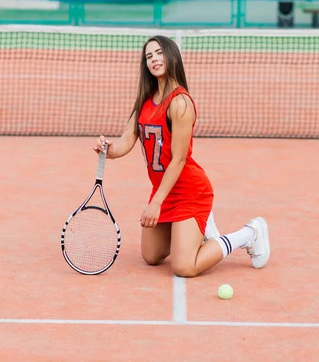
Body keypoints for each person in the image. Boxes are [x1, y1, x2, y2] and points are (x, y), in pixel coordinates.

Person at [92, 35, 270, 278]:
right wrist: (108, 150)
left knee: (184, 267)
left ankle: (250, 233)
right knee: (151, 256)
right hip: (164, 190)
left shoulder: (180, 103)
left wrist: (155, 204)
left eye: (159, 53)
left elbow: (178, 160)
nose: (154, 59)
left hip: (189, 191)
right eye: (148, 56)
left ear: (172, 56)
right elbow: (125, 140)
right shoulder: (144, 100)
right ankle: (196, 229)